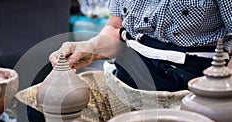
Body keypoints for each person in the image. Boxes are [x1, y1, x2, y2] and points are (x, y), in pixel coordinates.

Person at [50, 0, 232, 92]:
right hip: (129, 77)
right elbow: (115, 29)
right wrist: (89, 49)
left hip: (189, 85)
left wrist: (218, 96)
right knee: (47, 106)